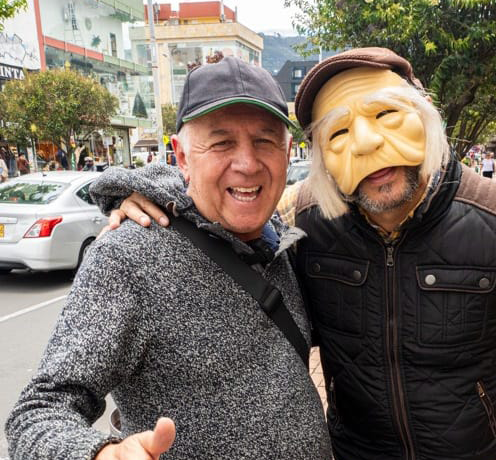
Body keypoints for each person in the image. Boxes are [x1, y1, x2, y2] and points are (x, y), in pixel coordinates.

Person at [96, 48, 496, 460]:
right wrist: (146, 197)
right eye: (339, 133)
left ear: (425, 116)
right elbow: (225, 199)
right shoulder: (303, 216)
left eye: (387, 116)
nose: (367, 144)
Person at [5, 56, 331, 460]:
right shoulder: (129, 257)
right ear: (182, 156)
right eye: (222, 143)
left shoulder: (282, 244)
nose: (247, 164)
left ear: (287, 152)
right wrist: (99, 454)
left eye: (265, 141)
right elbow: (37, 413)